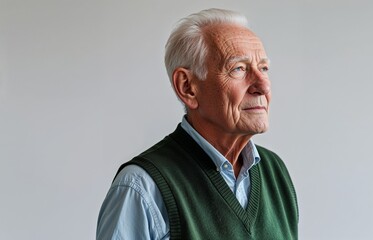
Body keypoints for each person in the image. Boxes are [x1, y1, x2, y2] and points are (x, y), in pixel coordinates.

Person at [97, 8, 299, 240]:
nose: (263, 85)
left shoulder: (275, 172)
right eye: (239, 69)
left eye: (263, 68)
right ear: (187, 87)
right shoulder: (142, 187)